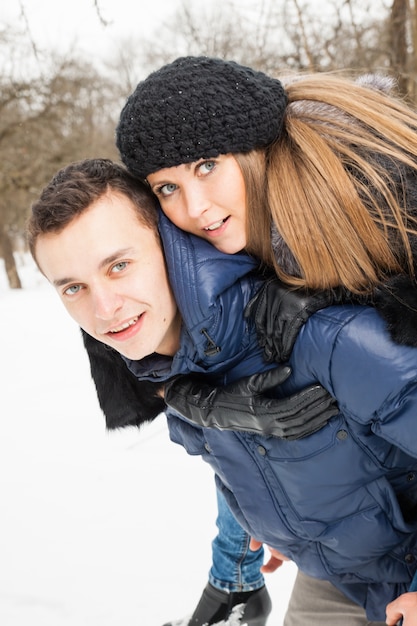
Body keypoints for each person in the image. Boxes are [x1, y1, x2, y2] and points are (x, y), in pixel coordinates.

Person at [109, 56, 417, 625]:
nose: (194, 209)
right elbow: (257, 416)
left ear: (255, 150)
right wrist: (276, 519)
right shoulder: (225, 250)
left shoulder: (379, 196)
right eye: (168, 186)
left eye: (207, 164)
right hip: (356, 556)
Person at [27, 158, 337, 626]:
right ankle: (236, 582)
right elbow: (220, 434)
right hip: (334, 548)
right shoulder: (122, 303)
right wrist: (260, 528)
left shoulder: (298, 276)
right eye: (73, 288)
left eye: (119, 265)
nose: (104, 307)